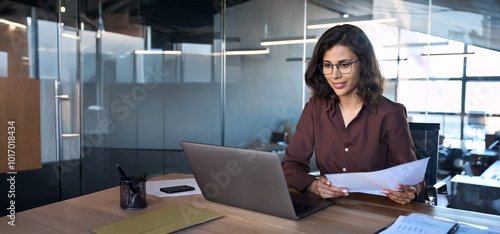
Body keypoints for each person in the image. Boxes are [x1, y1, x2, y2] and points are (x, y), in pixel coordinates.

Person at [281, 24, 424, 205]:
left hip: (377, 211)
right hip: (329, 210)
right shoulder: (314, 109)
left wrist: (410, 190)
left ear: (363, 64)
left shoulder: (390, 113)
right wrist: (314, 186)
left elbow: (412, 177)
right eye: (327, 65)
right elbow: (291, 166)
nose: (334, 75)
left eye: (344, 65)